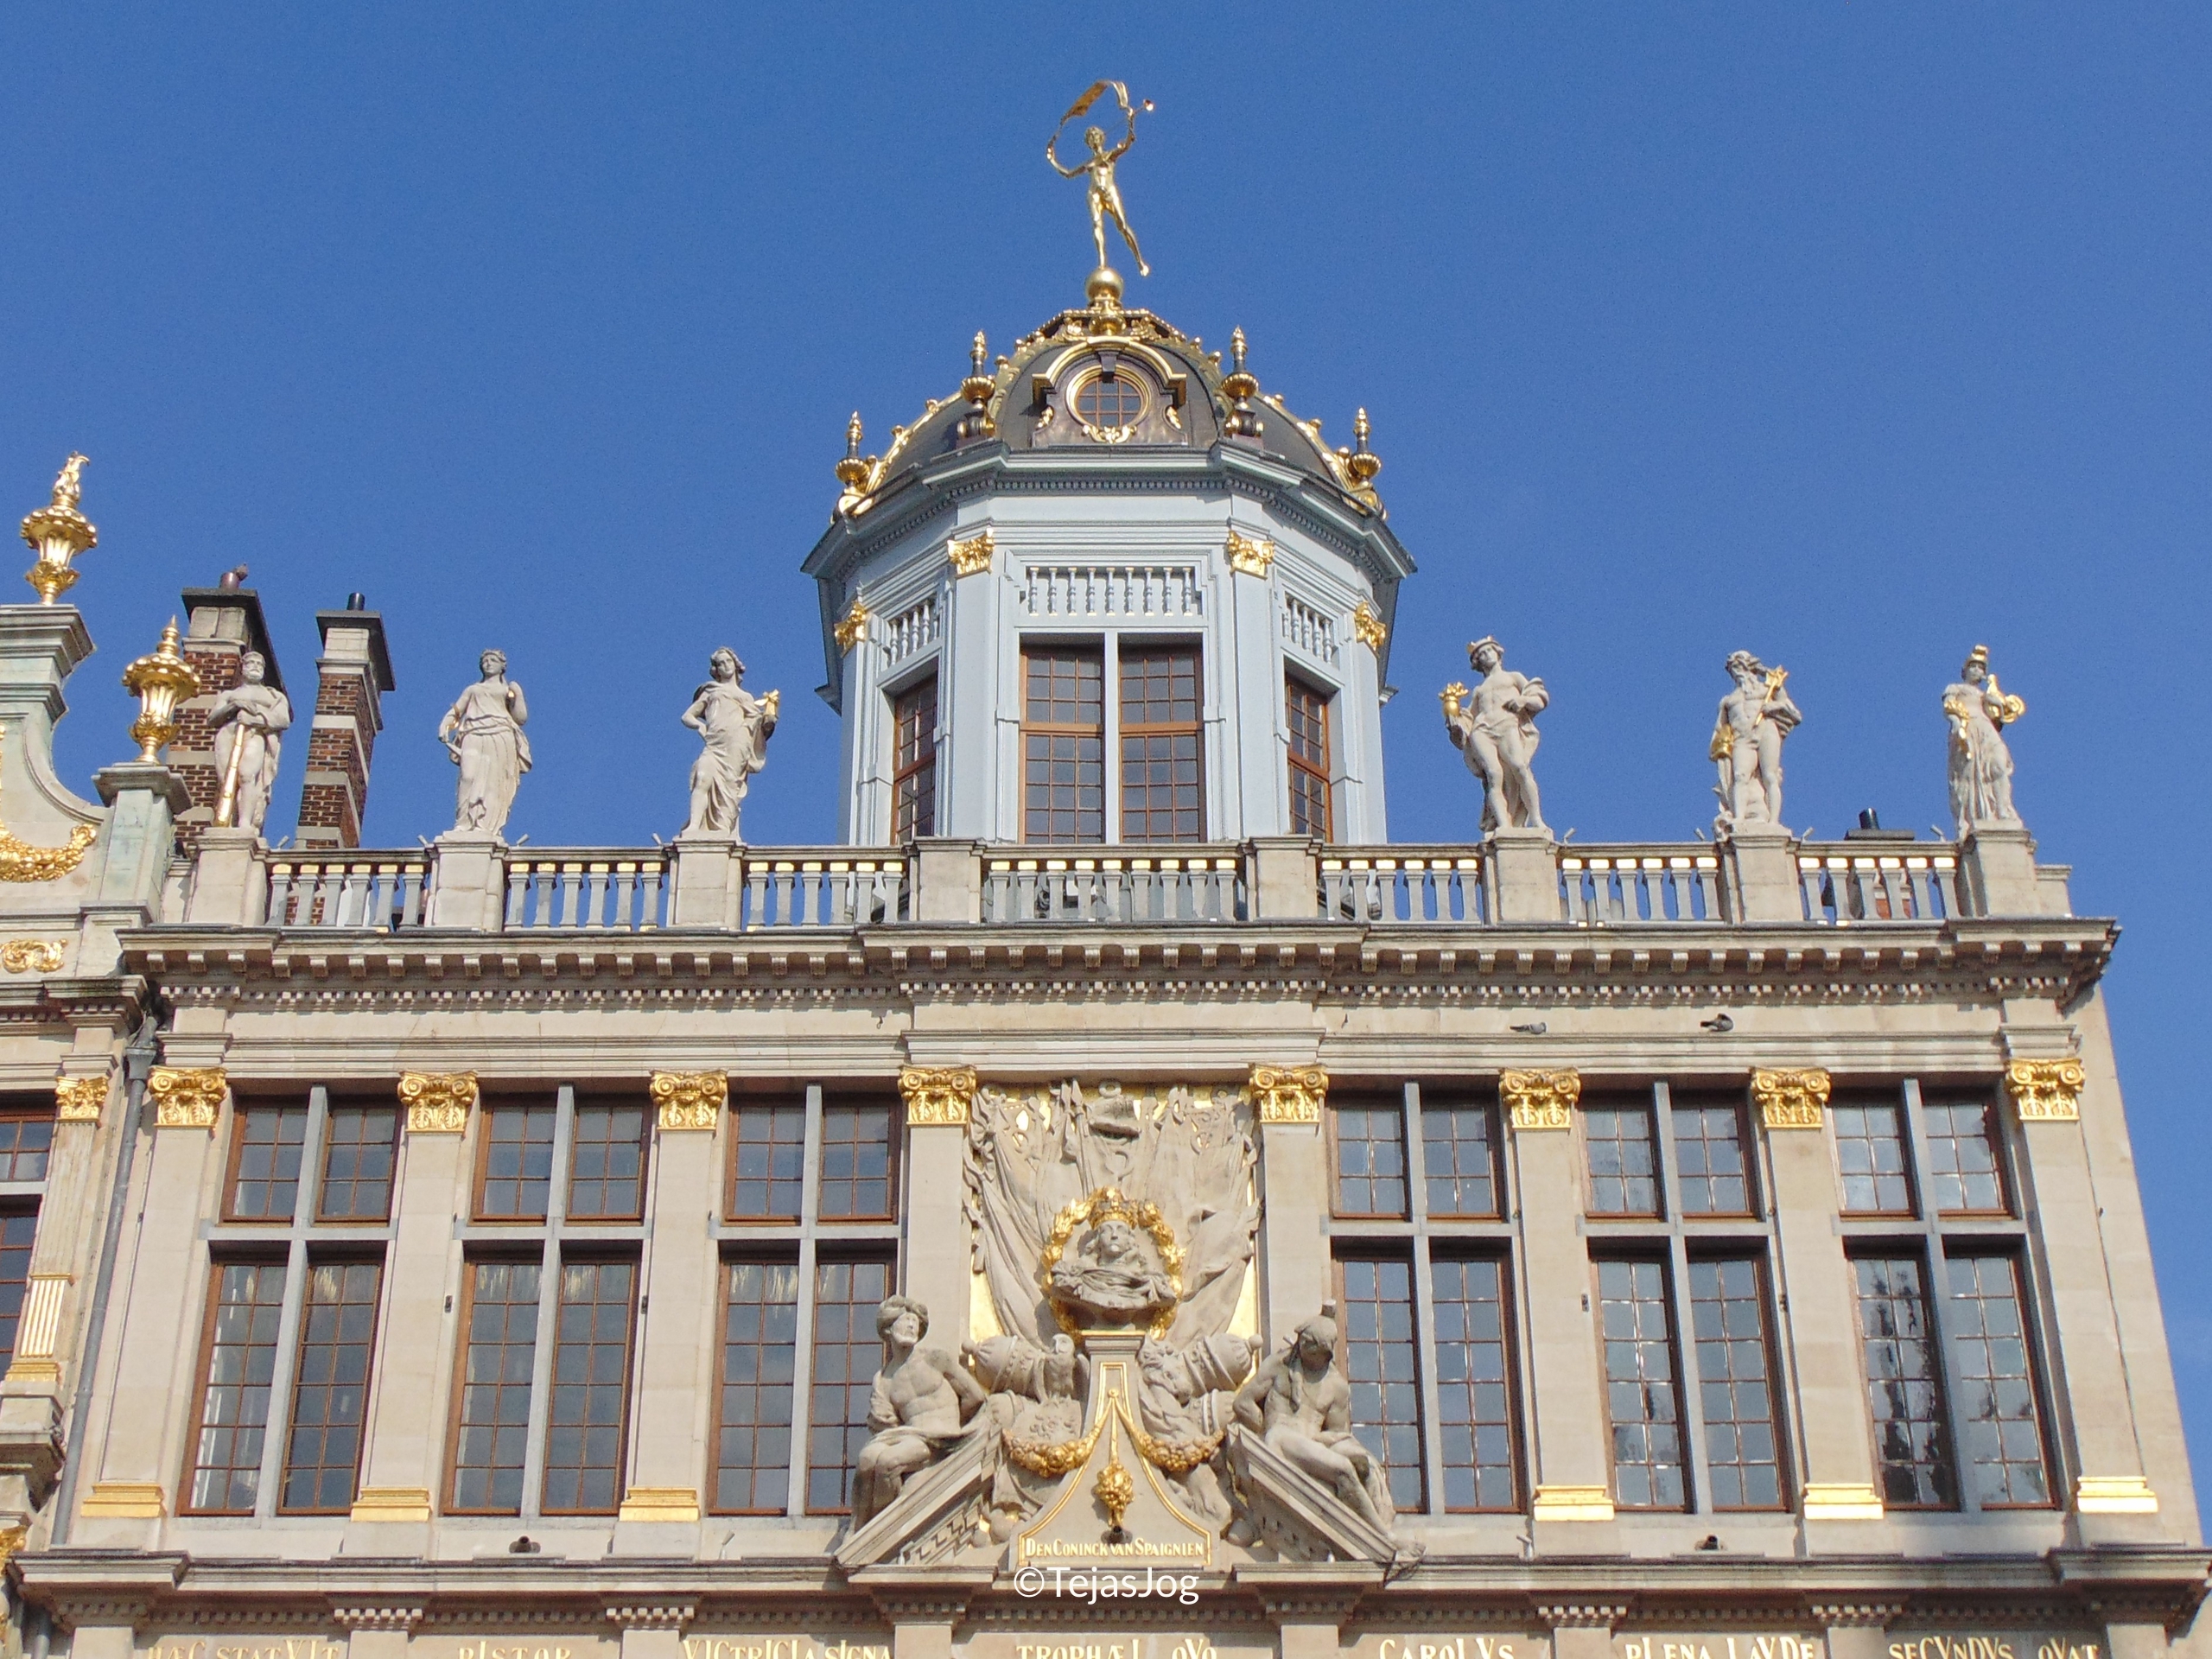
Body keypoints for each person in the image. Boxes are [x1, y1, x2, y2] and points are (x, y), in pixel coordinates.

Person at [1232, 1309, 1394, 1533]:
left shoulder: (1337, 1387)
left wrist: (1347, 1451)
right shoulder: (1279, 1364)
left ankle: (1375, 1530)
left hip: (1310, 1444)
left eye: (1308, 1344)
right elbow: (1243, 1403)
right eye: (1301, 1340)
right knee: (1344, 1469)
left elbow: (1337, 1434)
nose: (1300, 1346)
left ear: (1324, 1354)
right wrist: (1266, 1431)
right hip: (1280, 1437)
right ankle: (1384, 1536)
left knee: (1356, 1466)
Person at [851, 1296, 985, 1529]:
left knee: (889, 1462)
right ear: (888, 1329)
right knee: (866, 1460)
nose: (912, 1326)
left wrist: (951, 1426)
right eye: (906, 1321)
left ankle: (885, 1529)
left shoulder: (935, 1359)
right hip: (910, 1435)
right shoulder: (884, 1380)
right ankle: (860, 1527)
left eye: (915, 1322)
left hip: (941, 1436)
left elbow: (975, 1396)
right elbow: (887, 1425)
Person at [1441, 637, 1548, 833]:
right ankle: (1504, 826)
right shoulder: (1479, 690)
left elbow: (1539, 699)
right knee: (1493, 775)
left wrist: (1522, 700)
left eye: (1487, 651)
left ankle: (1537, 820)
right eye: (1480, 655)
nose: (1484, 656)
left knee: (1519, 767)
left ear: (1498, 653)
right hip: (1482, 730)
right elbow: (1469, 718)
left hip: (1507, 724)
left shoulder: (1513, 677)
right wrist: (1454, 717)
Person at [678, 647, 778, 837]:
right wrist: (701, 727)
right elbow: (687, 716)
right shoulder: (711, 691)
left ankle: (722, 830)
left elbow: (759, 726)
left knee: (729, 787)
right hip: (715, 744)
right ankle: (694, 826)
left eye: (728, 662)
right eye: (721, 663)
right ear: (716, 670)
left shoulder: (746, 697)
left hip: (737, 744)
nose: (725, 666)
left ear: (735, 664)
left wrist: (768, 722)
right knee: (702, 777)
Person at [438, 650, 531, 835]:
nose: (488, 664)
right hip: (473, 734)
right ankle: (464, 822)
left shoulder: (508, 690)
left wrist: (518, 694)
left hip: (501, 736)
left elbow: (521, 718)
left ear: (502, 666)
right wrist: (444, 726)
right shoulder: (473, 690)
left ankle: (486, 825)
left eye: (493, 660)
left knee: (494, 782)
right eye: (485, 661)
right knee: (468, 777)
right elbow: (457, 711)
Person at [1711, 650, 1801, 828]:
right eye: (1733, 668)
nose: (1736, 672)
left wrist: (1773, 706)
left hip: (1766, 731)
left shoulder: (1768, 689)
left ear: (1748, 667)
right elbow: (1719, 729)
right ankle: (1739, 818)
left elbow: (1795, 714)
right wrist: (1720, 749)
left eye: (1739, 666)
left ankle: (1773, 821)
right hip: (1742, 738)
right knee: (1740, 776)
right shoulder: (1729, 700)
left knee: (1770, 776)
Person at [1049, 121, 1149, 276]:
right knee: (1097, 225)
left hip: (1109, 191)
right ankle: (1102, 263)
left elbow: (1128, 143)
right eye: (1090, 138)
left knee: (1122, 225)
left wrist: (1130, 123)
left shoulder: (1110, 155)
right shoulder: (1090, 163)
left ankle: (1139, 260)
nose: (1093, 139)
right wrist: (1053, 161)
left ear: (1101, 138)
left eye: (1095, 136)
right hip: (1094, 193)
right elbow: (1069, 174)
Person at [208, 651, 292, 835]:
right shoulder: (229, 695)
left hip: (256, 734)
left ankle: (245, 822)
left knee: (247, 775)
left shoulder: (273, 696)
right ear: (243, 668)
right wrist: (235, 705)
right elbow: (212, 719)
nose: (255, 666)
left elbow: (283, 720)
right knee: (227, 780)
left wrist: (257, 719)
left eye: (259, 664)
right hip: (229, 735)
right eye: (250, 663)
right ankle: (229, 819)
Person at [1944, 645, 2021, 832]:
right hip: (1968, 729)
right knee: (1970, 774)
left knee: (1999, 765)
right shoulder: (1955, 688)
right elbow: (1949, 707)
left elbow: (1999, 712)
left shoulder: (1984, 694)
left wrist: (1999, 702)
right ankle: (1978, 814)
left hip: (1987, 730)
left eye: (1981, 668)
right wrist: (1956, 723)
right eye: (1974, 667)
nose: (1978, 671)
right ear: (1965, 670)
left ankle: (2002, 809)